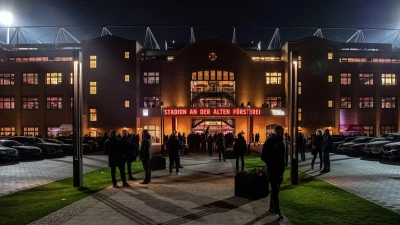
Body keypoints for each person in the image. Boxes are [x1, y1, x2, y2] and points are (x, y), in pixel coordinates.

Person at [261, 125, 286, 221]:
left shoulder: (282, 141)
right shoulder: (269, 142)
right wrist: (271, 163)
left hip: (280, 170)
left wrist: (283, 164)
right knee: (275, 190)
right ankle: (277, 211)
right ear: (276, 131)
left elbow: (283, 155)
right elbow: (263, 156)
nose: (283, 132)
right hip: (272, 170)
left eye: (283, 131)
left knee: (276, 189)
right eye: (281, 131)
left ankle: (271, 207)